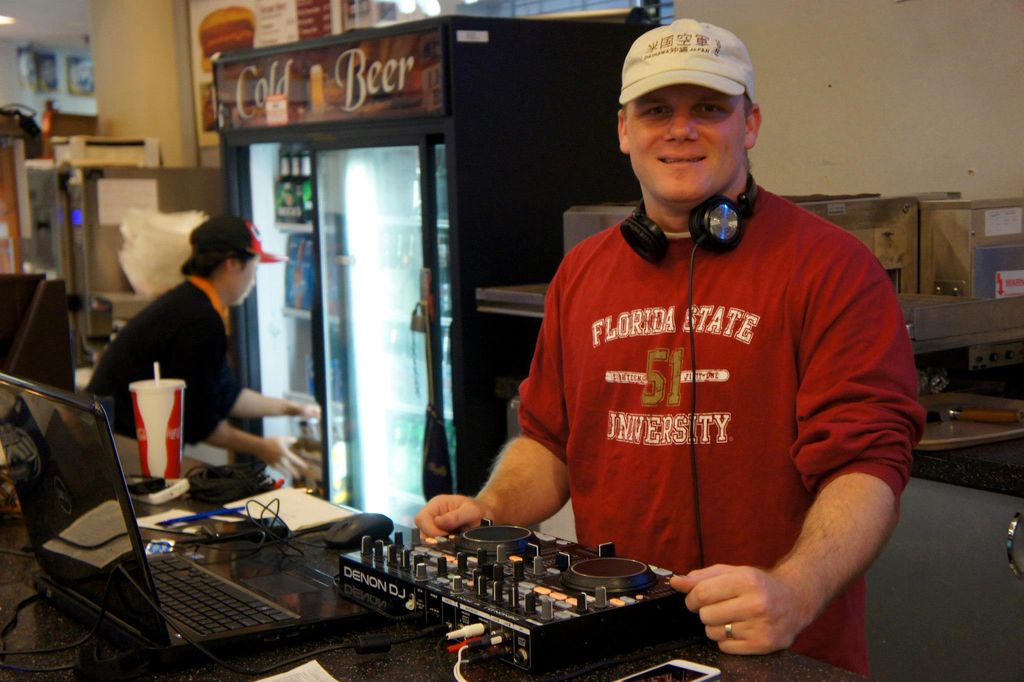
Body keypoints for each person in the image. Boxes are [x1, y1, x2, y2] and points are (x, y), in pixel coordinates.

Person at [416, 18, 924, 676]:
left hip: (778, 646)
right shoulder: (582, 273)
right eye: (656, 110)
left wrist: (795, 589)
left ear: (751, 123)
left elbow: (868, 465)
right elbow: (548, 442)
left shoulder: (833, 269)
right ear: (625, 129)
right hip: (618, 640)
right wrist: (491, 509)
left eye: (709, 108)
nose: (680, 130)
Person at [88, 216, 318, 480]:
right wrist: (264, 448)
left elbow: (227, 396)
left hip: (114, 447)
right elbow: (202, 424)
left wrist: (293, 409)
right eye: (255, 269)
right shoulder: (200, 320)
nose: (254, 281)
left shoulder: (191, 303)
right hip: (122, 454)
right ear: (231, 264)